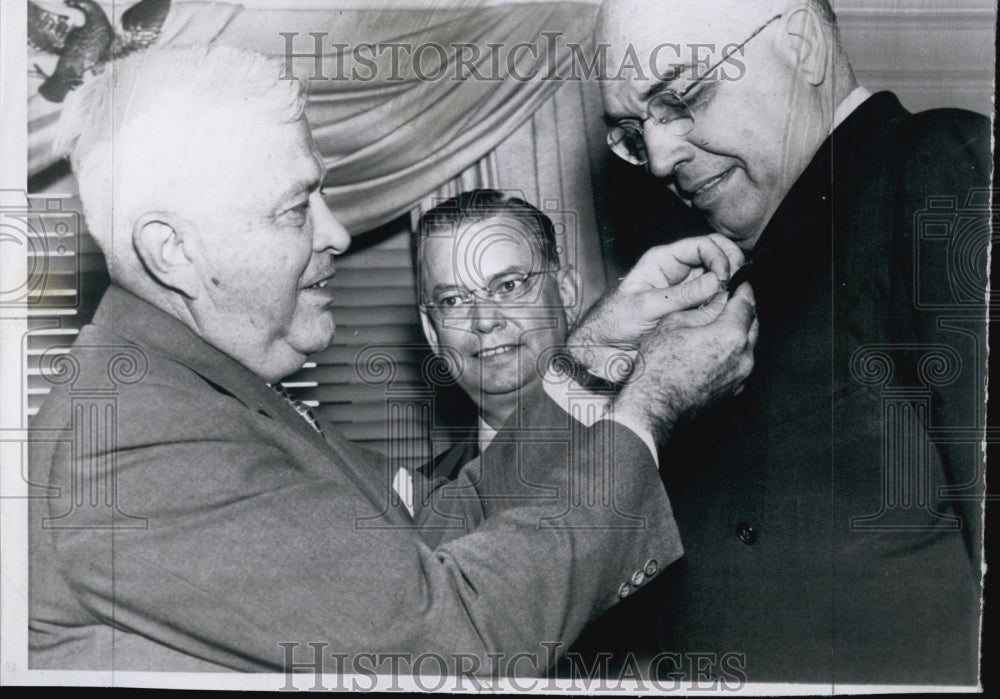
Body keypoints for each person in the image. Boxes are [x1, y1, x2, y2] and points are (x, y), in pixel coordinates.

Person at [28, 44, 758, 676]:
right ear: (173, 251)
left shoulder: (201, 393)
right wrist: (648, 406)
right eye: (296, 206)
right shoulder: (136, 442)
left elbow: (447, 521)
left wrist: (603, 344)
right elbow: (455, 640)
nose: (338, 234)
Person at [594, 0, 990, 685]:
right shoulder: (734, 277)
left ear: (802, 42)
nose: (662, 155)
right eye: (634, 132)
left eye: (684, 94)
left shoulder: (939, 169)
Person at [414, 189, 584, 481]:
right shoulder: (420, 509)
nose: (484, 320)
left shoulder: (667, 451)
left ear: (566, 294)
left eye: (508, 286)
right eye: (452, 300)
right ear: (432, 332)